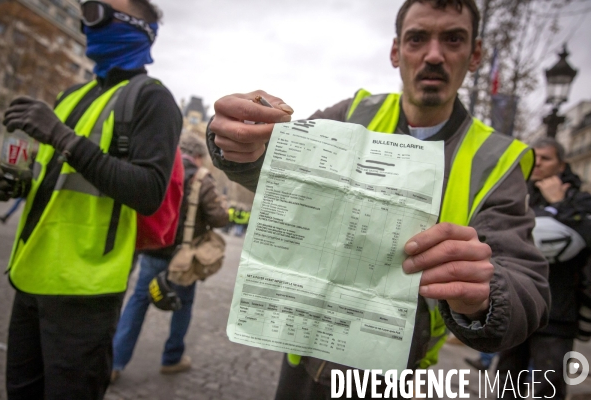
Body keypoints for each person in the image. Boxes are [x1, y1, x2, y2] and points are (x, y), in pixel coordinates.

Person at [206, 0, 551, 398]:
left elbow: (528, 286)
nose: (434, 55)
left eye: (453, 39)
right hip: (303, 367)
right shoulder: (352, 113)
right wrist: (239, 144)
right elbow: (277, 169)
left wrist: (486, 295)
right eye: (417, 38)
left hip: (395, 378)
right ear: (395, 51)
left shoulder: (500, 160)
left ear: (475, 55)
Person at [0, 0, 182, 398]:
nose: (85, 22)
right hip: (29, 275)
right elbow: (53, 180)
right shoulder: (69, 96)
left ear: (135, 28)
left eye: (96, 12)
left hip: (85, 291)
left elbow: (148, 192)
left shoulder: (152, 99)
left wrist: (60, 136)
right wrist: (11, 183)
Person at [111, 134, 228, 382]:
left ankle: (115, 362)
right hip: (184, 256)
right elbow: (219, 218)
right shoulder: (201, 178)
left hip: (154, 248)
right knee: (183, 306)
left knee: (138, 301)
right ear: (198, 157)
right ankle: (172, 359)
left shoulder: (162, 168)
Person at [496, 137, 591, 400]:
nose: (538, 163)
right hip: (516, 301)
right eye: (534, 157)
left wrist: (559, 203)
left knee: (548, 384)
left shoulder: (579, 199)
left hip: (557, 308)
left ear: (561, 165)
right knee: (506, 379)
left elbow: (585, 237)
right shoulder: (517, 193)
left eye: (546, 158)